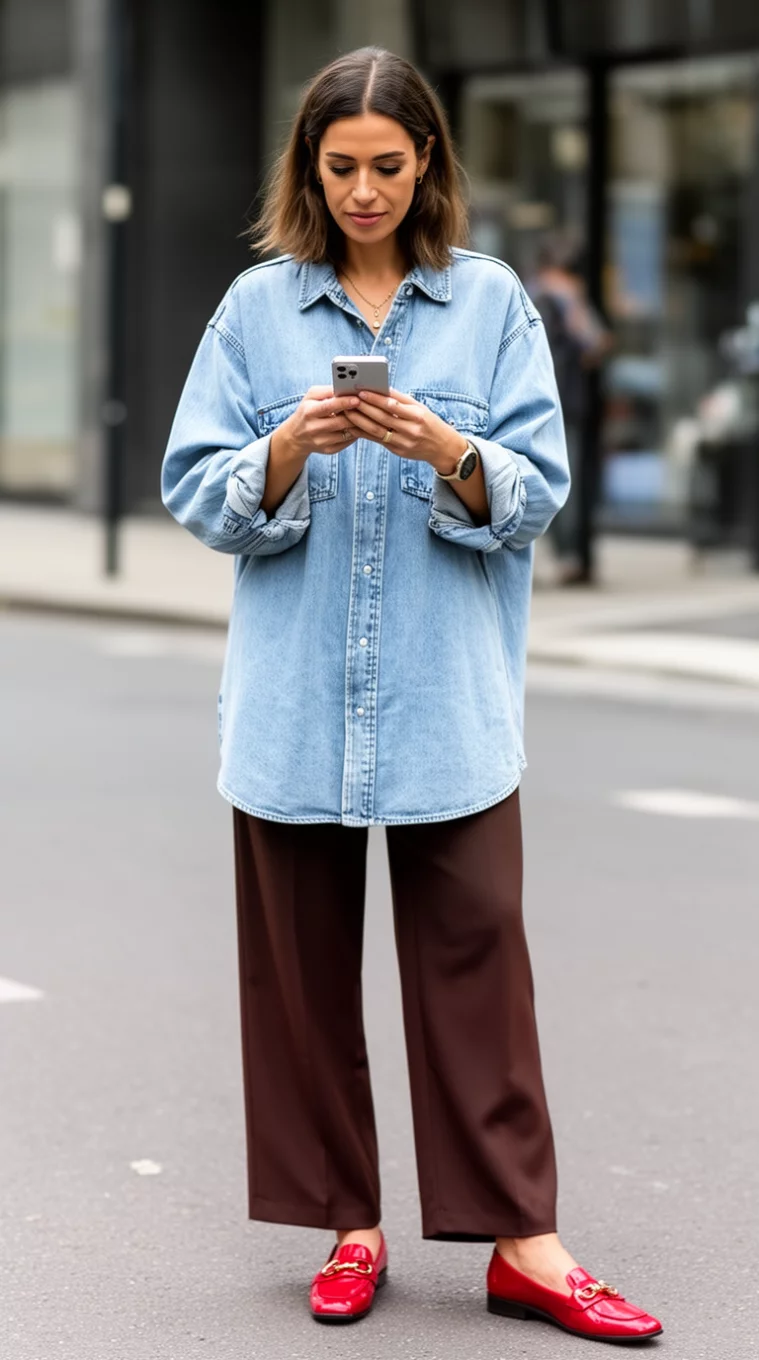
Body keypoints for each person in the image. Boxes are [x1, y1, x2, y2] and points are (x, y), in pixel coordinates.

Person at [161, 47, 661, 1343]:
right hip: (289, 710)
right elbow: (191, 484)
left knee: (478, 964)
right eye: (339, 169)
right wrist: (280, 452)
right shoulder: (256, 311)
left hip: (447, 705)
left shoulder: (489, 305)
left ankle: (524, 1245)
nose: (364, 191)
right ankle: (348, 1224)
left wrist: (444, 450)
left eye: (387, 166)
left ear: (427, 162)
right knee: (302, 980)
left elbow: (538, 492)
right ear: (307, 170)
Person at [528, 233, 612, 586]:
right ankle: (570, 557)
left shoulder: (526, 291)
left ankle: (559, 556)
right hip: (564, 402)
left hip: (533, 401)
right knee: (566, 480)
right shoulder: (563, 297)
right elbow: (596, 343)